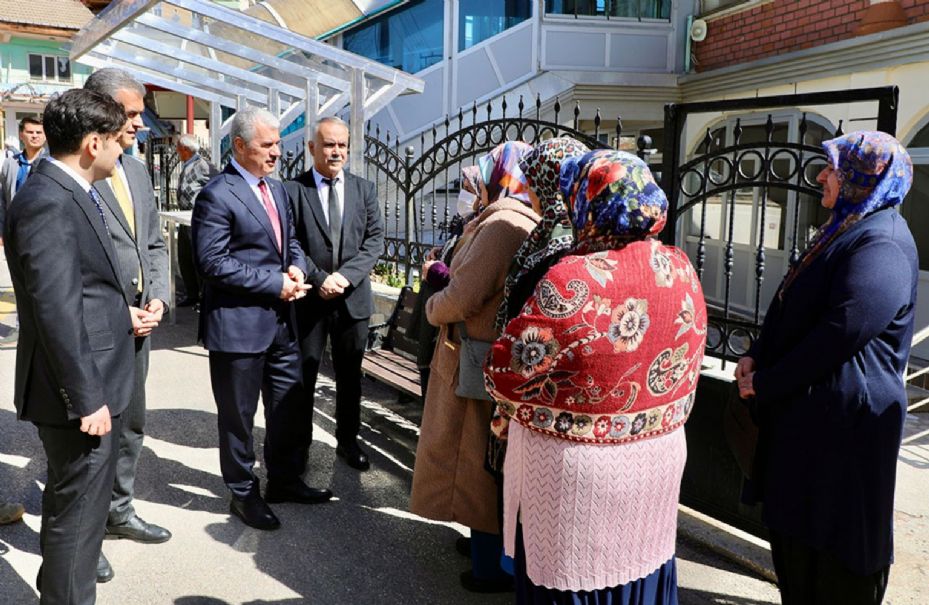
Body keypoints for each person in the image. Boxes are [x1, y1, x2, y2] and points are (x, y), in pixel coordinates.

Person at [484, 149, 707, 604]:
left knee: (573, 585)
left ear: (589, 202)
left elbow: (505, 370)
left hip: (578, 480)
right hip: (657, 462)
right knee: (640, 580)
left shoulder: (573, 278)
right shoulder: (680, 266)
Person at [735, 131, 918, 605]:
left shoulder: (883, 243)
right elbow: (792, 304)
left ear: (862, 177)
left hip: (844, 432)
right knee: (797, 546)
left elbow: (840, 332)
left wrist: (767, 383)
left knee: (835, 558)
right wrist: (758, 350)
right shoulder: (846, 227)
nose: (821, 175)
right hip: (810, 426)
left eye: (832, 168)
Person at [4, 88, 132, 604]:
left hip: (95, 375)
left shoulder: (67, 189)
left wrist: (125, 312)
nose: (125, 149)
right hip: (80, 391)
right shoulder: (49, 200)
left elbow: (81, 287)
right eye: (119, 140)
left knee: (75, 508)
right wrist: (86, 397)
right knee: (76, 518)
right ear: (92, 143)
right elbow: (55, 309)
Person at [192, 106, 332, 532]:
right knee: (238, 417)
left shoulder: (277, 190)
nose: (277, 152)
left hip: (280, 324)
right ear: (239, 146)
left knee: (286, 407)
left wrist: (295, 269)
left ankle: (285, 480)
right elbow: (212, 263)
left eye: (279, 144)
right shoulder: (217, 194)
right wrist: (275, 283)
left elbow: (289, 243)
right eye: (267, 145)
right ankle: (243, 492)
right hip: (237, 328)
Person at [410, 141, 538, 593]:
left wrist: (433, 303)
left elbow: (466, 295)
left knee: (477, 463)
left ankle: (488, 566)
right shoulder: (505, 216)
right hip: (479, 352)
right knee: (476, 459)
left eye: (484, 172)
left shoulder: (504, 223)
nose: (476, 181)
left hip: (477, 355)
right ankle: (482, 543)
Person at [84, 69, 172, 578]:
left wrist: (157, 298)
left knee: (132, 424)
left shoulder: (136, 171)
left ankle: (119, 512)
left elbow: (154, 245)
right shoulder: (77, 175)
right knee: (92, 436)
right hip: (99, 329)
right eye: (132, 113)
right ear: (101, 109)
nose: (140, 123)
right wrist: (121, 311)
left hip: (142, 325)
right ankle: (86, 531)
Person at [284, 117, 384, 472]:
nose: (336, 151)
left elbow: (374, 242)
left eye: (342, 144)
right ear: (312, 148)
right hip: (311, 298)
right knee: (304, 375)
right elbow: (290, 241)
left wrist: (343, 278)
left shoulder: (364, 190)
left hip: (352, 298)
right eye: (328, 144)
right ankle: (299, 445)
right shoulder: (293, 191)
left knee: (349, 377)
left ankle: (347, 441)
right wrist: (319, 277)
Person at [409, 165, 483, 394]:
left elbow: (469, 279)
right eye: (463, 188)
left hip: (452, 326)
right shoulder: (465, 222)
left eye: (469, 189)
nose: (464, 194)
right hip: (436, 316)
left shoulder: (486, 226)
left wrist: (436, 271)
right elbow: (457, 257)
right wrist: (442, 252)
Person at [175, 134, 217, 306]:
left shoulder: (203, 165)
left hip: (197, 218)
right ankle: (192, 294)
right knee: (184, 257)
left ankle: (203, 296)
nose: (176, 151)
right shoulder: (188, 164)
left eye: (178, 148)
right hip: (184, 218)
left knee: (197, 257)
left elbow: (217, 183)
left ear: (185, 149)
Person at [0, 116, 46, 242]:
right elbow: (3, 199)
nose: (35, 136)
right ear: (21, 135)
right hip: (16, 231)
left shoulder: (51, 163)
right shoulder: (10, 163)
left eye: (39, 132)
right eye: (30, 132)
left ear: (45, 136)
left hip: (43, 231)